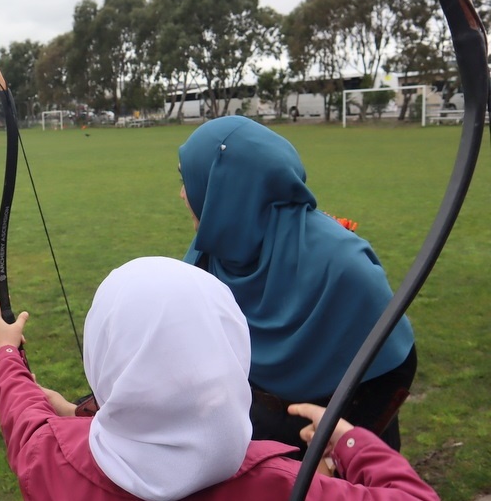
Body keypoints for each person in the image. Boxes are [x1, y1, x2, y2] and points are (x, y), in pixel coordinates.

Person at [0, 256, 438, 500]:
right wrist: (348, 442)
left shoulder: (46, 459)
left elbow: (21, 411)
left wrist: (8, 353)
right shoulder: (287, 486)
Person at [177, 115, 417, 456]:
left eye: (191, 179)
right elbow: (174, 348)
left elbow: (394, 368)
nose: (183, 194)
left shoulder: (342, 266)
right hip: (254, 439)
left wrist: (338, 456)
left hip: (338, 444)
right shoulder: (213, 253)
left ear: (228, 186)